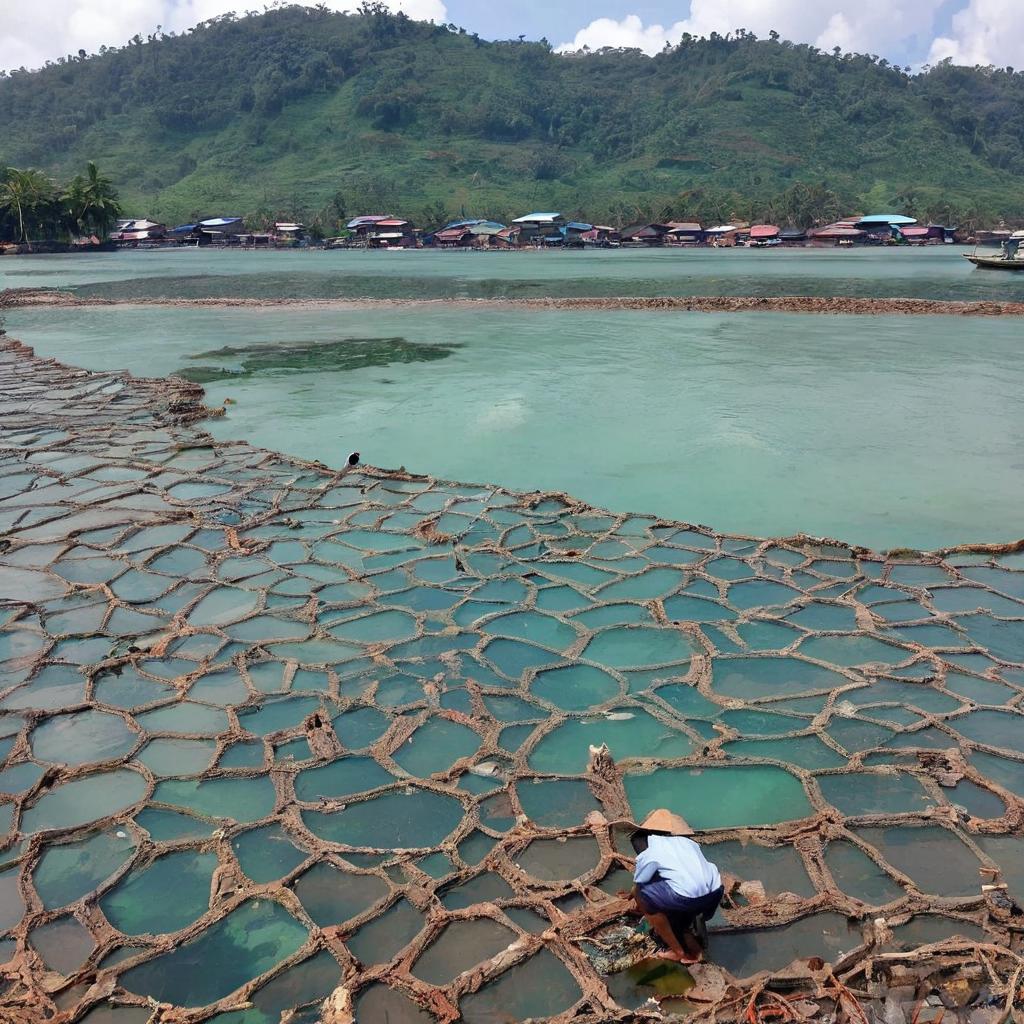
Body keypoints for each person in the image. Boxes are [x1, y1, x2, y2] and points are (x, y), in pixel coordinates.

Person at [626, 809, 723, 964]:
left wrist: (638, 899)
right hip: (715, 892)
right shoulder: (689, 843)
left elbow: (640, 885)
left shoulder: (650, 849)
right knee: (678, 894)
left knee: (643, 897)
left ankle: (677, 951)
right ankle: (687, 932)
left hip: (686, 898)